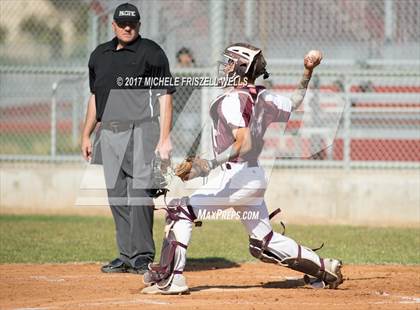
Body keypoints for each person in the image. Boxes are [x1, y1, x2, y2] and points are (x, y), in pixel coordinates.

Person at [141, 43, 344, 294]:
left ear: (241, 67)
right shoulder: (263, 95)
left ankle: (173, 278)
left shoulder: (231, 100)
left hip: (237, 176)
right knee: (263, 242)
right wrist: (307, 72)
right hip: (252, 176)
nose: (224, 67)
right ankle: (325, 269)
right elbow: (295, 101)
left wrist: (209, 163)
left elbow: (243, 142)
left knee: (180, 210)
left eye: (229, 62)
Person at [81, 2, 175, 274]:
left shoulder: (151, 52)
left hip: (142, 130)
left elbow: (165, 96)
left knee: (140, 195)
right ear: (113, 25)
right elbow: (95, 98)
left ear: (139, 25)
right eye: (122, 23)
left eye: (132, 23)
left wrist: (164, 138)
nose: (127, 27)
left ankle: (143, 256)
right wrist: (86, 133)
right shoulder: (100, 55)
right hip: (108, 131)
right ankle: (125, 255)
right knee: (117, 196)